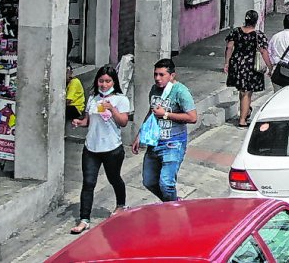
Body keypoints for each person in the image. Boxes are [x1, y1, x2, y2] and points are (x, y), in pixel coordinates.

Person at [69, 65, 131, 234]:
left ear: (113, 82)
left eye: (107, 81)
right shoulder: (93, 98)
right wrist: (79, 122)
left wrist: (112, 109)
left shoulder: (121, 99)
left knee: (114, 178)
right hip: (91, 148)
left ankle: (121, 205)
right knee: (88, 183)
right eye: (101, 81)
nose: (104, 84)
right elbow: (88, 121)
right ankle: (84, 219)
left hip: (112, 148)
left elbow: (123, 122)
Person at [132, 59, 197, 202]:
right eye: (155, 74)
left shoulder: (181, 92)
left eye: (162, 75)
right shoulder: (154, 89)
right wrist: (140, 134)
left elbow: (192, 117)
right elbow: (151, 112)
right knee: (149, 181)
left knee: (166, 183)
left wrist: (166, 114)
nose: (157, 78)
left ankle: (172, 211)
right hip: (154, 142)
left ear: (172, 76)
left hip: (173, 144)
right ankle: (172, 204)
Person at [223, 10, 273, 127]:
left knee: (242, 90)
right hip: (250, 66)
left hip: (237, 64)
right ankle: (242, 120)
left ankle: (245, 112)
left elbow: (229, 47)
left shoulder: (235, 32)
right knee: (247, 92)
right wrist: (270, 67)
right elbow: (263, 51)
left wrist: (227, 63)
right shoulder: (258, 35)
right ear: (256, 21)